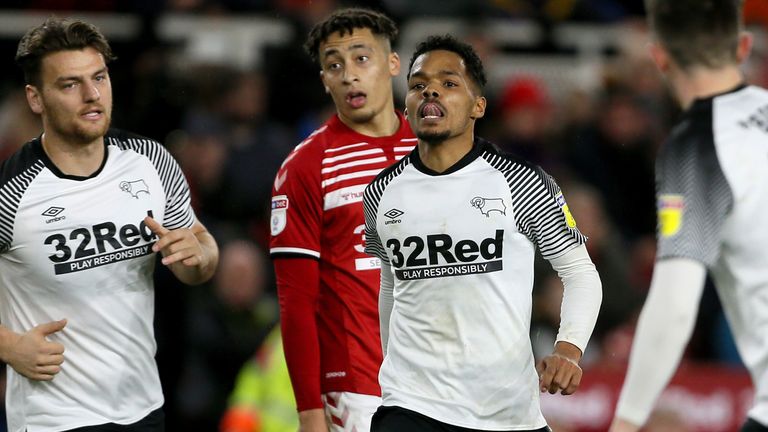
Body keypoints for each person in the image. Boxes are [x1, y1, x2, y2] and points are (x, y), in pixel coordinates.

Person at [363, 35, 602, 432]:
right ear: (406, 105)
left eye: (449, 83)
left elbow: (580, 272)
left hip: (507, 413)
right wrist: (392, 377)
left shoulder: (521, 182)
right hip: (411, 405)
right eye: (418, 84)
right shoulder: (381, 192)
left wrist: (568, 350)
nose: (431, 90)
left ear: (479, 106)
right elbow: (391, 286)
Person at [0, 17, 219, 432]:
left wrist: (201, 257)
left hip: (144, 408)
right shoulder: (11, 192)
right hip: (54, 420)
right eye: (69, 85)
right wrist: (8, 346)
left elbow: (198, 254)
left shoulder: (151, 160)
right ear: (35, 98)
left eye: (99, 77)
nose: (92, 94)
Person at [610, 1, 768, 431]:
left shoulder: (699, 146)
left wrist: (627, 421)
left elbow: (675, 305)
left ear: (658, 56)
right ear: (743, 47)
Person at [268, 8, 414, 432]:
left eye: (361, 59)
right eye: (335, 65)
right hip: (358, 390)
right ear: (324, 81)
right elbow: (296, 302)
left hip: (444, 383)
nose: (349, 74)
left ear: (392, 64)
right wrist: (310, 412)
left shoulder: (436, 151)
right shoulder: (306, 167)